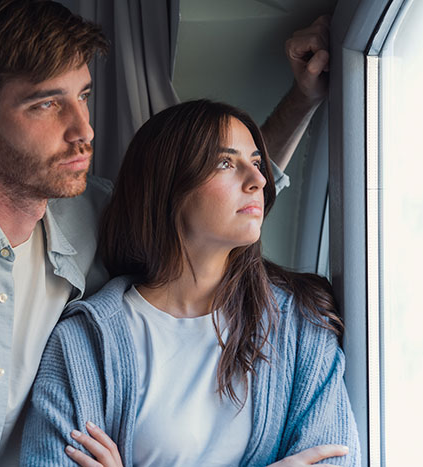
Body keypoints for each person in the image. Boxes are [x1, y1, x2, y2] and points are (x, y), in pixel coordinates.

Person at [0, 1, 331, 465]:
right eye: (47, 105)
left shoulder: (93, 210)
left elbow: (214, 204)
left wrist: (303, 99)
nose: (84, 130)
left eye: (84, 96)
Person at [21, 100, 360, 466]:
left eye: (257, 163)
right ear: (168, 186)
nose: (258, 180)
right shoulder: (82, 345)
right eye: (226, 163)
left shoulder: (301, 321)